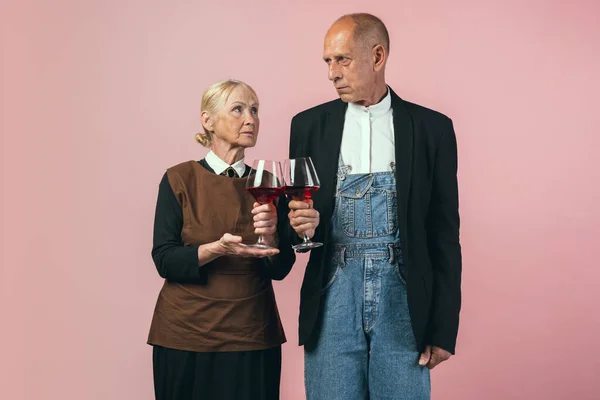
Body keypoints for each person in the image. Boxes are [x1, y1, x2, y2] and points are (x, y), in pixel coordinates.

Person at [279, 13, 462, 399]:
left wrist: (443, 329)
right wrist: (302, 225)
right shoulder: (308, 126)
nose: (332, 73)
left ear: (377, 56)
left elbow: (444, 234)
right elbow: (291, 223)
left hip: (404, 302)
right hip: (331, 296)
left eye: (342, 59)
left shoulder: (432, 129)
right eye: (327, 61)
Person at [147, 79, 293, 400]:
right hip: (184, 336)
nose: (251, 119)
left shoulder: (268, 183)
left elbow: (282, 267)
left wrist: (270, 235)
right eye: (238, 109)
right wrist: (213, 250)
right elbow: (164, 259)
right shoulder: (178, 179)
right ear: (208, 120)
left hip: (253, 334)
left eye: (255, 110)